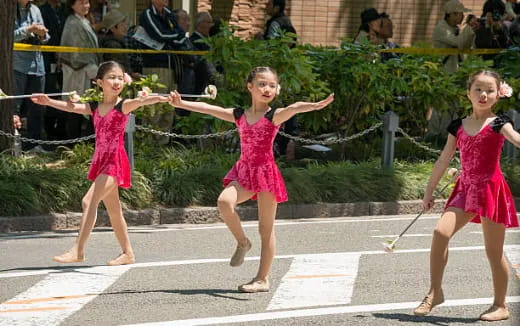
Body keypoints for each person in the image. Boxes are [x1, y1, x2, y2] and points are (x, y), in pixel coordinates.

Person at [168, 66, 334, 292]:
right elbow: (209, 108)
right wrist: (181, 104)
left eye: (272, 85)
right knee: (224, 202)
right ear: (250, 87)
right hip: (244, 172)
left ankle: (262, 279)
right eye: (262, 84)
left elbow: (294, 108)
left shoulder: (273, 116)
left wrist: (314, 106)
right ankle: (243, 242)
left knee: (266, 229)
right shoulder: (239, 115)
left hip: (266, 173)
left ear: (278, 89)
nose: (267, 89)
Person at [30, 61, 170, 265]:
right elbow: (72, 108)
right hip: (101, 161)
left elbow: (143, 102)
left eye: (120, 78)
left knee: (89, 201)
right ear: (99, 83)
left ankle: (78, 250)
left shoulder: (124, 105)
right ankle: (128, 253)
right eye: (112, 78)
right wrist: (48, 101)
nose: (116, 82)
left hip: (115, 161)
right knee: (114, 210)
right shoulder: (95, 107)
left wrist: (158, 97)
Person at [414, 70, 519, 321]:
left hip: (491, 190)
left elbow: (516, 139)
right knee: (440, 232)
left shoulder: (499, 122)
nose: (484, 95)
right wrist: (428, 193)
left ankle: (500, 305)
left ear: (498, 95)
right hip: (464, 189)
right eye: (478, 90)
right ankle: (434, 292)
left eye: (490, 90)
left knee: (493, 252)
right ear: (468, 93)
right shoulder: (457, 125)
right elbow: (443, 160)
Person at [60, 0, 100, 139]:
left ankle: (85, 142)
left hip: (88, 71)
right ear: (72, 5)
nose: (86, 6)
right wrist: (94, 70)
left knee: (88, 106)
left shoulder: (85, 21)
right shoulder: (72, 23)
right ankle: (73, 143)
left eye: (87, 2)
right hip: (76, 71)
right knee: (74, 107)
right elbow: (75, 54)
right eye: (82, 3)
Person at [14, 0, 50, 152]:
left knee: (37, 107)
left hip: (37, 66)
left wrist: (42, 34)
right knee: (13, 107)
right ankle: (11, 146)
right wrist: (29, 29)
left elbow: (47, 37)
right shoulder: (7, 9)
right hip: (16, 65)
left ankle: (34, 145)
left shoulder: (35, 9)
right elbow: (7, 37)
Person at [39, 0, 67, 142]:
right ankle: (49, 131)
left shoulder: (65, 10)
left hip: (64, 60)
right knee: (50, 91)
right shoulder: (42, 10)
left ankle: (62, 129)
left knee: (63, 92)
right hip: (48, 58)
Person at [432, 0, 477, 74]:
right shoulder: (441, 28)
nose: (463, 16)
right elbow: (458, 42)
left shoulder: (455, 28)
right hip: (445, 71)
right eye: (461, 13)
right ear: (452, 14)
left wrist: (472, 29)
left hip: (456, 70)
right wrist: (468, 27)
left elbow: (465, 46)